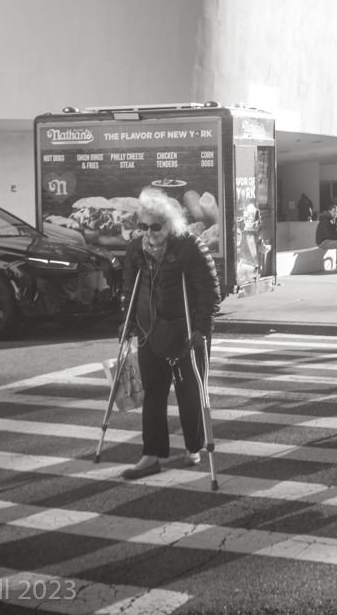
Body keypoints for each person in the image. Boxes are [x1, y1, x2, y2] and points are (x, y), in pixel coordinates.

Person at [120, 187, 221, 479]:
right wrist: (127, 321)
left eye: (155, 227)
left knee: (190, 393)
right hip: (150, 330)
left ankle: (194, 447)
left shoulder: (190, 247)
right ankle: (151, 456)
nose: (149, 233)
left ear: (170, 224)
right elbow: (129, 289)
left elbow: (210, 293)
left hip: (186, 332)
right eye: (143, 226)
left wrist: (201, 329)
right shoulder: (136, 249)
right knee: (153, 394)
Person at [316, 204, 337, 271]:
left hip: (328, 240)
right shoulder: (325, 220)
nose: (336, 213)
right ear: (329, 211)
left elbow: (336, 233)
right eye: (334, 211)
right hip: (322, 242)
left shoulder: (332, 220)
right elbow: (329, 234)